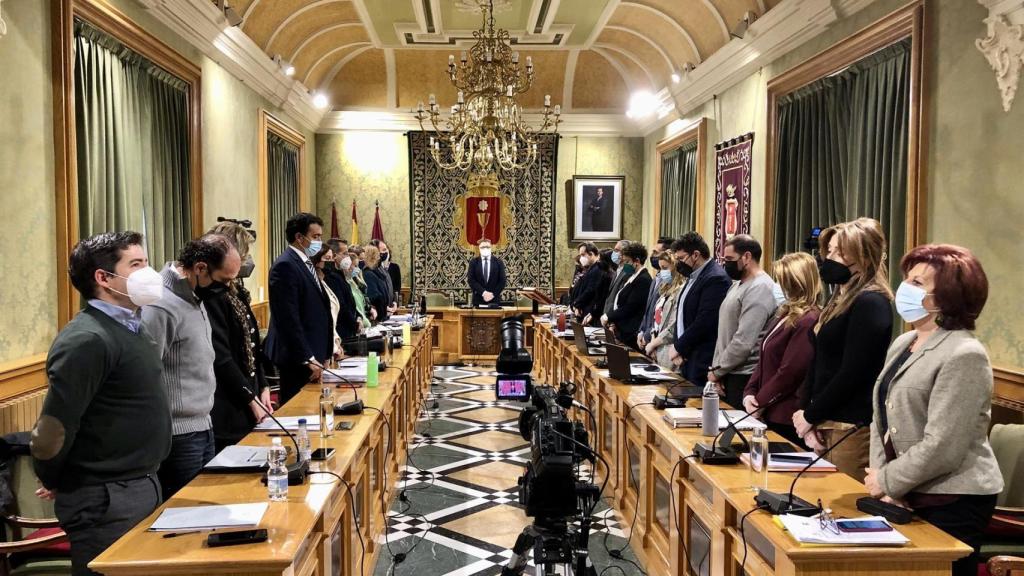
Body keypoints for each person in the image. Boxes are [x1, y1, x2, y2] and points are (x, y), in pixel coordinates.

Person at [31, 231, 171, 576]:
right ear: (103, 278)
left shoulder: (131, 328)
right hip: (106, 497)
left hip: (139, 483)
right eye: (136, 264)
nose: (148, 272)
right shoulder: (88, 338)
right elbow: (55, 426)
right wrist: (55, 477)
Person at [863, 244, 1003, 576]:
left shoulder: (965, 353)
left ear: (946, 297)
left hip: (953, 498)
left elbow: (944, 445)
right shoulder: (903, 342)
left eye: (917, 283)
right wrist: (884, 484)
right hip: (905, 491)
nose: (904, 289)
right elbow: (880, 419)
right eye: (907, 280)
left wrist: (888, 480)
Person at [792, 218, 893, 482]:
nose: (829, 258)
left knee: (842, 511)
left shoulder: (871, 302)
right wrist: (807, 413)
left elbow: (853, 371)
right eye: (830, 251)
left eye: (839, 252)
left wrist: (812, 415)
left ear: (864, 257)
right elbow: (819, 360)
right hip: (825, 419)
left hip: (849, 425)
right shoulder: (839, 298)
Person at [142, 234, 239, 500]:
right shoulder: (160, 305)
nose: (229, 288)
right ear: (199, 268)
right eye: (224, 280)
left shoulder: (194, 295)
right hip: (178, 435)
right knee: (187, 516)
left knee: (204, 507)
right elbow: (146, 373)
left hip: (203, 425)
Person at [205, 222, 273, 452]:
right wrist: (249, 397)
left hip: (249, 392)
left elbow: (252, 349)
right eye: (244, 253)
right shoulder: (212, 296)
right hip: (228, 402)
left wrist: (262, 386)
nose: (247, 260)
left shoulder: (235, 291)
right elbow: (222, 356)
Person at [742, 252, 821, 446]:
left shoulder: (808, 319)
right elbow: (764, 358)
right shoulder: (785, 314)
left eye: (782, 281)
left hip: (785, 414)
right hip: (768, 408)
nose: (777, 286)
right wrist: (749, 394)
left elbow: (790, 371)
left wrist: (760, 401)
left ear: (796, 284)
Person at [264, 212, 334, 404]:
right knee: (299, 413)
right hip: (298, 359)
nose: (319, 242)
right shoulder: (285, 266)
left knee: (314, 410)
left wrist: (327, 351)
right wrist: (307, 358)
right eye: (315, 237)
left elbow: (320, 310)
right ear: (299, 237)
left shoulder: (305, 263)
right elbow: (288, 318)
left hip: (314, 354)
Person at [707, 235, 777, 409]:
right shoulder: (737, 284)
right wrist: (717, 369)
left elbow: (744, 341)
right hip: (726, 372)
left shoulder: (761, 287)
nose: (726, 264)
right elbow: (724, 331)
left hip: (743, 376)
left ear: (746, 257)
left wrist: (717, 371)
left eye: (730, 259)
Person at [669, 232, 731, 384]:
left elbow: (705, 321)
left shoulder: (716, 278)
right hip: (687, 356)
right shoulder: (693, 276)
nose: (679, 264)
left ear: (695, 255)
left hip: (701, 357)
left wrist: (679, 346)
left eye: (681, 258)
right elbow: (683, 315)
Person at [601, 242, 652, 350]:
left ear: (637, 261)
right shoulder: (632, 277)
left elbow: (631, 307)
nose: (624, 265)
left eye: (627, 262)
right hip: (622, 329)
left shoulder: (643, 280)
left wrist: (609, 316)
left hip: (631, 332)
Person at [642, 252, 686, 369]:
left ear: (676, 267)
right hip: (656, 348)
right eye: (661, 268)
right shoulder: (665, 289)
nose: (662, 272)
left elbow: (673, 326)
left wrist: (653, 343)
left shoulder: (680, 290)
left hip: (668, 349)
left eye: (665, 268)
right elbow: (656, 319)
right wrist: (652, 340)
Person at [638, 237, 674, 349]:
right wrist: (641, 331)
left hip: (659, 341)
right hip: (648, 337)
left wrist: (649, 336)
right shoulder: (656, 278)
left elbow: (661, 317)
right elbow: (649, 309)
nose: (652, 255)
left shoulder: (670, 282)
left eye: (655, 252)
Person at [311, 246, 343, 358]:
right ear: (316, 260)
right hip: (320, 349)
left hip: (331, 345)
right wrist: (333, 346)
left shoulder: (323, 282)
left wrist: (336, 340)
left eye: (331, 258)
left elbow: (331, 318)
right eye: (326, 258)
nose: (329, 262)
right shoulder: (313, 283)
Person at [324, 238, 359, 339]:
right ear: (334, 255)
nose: (348, 257)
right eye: (345, 253)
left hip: (349, 328)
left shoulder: (340, 274)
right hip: (341, 331)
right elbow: (341, 305)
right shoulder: (331, 277)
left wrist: (357, 318)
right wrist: (355, 324)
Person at [570, 243, 608, 326]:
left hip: (591, 312)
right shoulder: (591, 268)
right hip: (584, 311)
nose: (581, 258)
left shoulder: (598, 269)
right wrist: (576, 304)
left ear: (591, 254)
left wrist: (577, 304)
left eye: (583, 255)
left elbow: (590, 290)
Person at [467, 238, 507, 306]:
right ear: (479, 248)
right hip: (478, 300)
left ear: (491, 248)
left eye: (487, 247)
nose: (485, 249)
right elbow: (471, 280)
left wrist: (492, 295)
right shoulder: (473, 262)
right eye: (482, 247)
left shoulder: (498, 262)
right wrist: (484, 293)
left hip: (494, 301)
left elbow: (502, 281)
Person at [363, 245, 395, 322]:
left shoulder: (378, 273)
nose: (379, 258)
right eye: (377, 255)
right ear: (372, 257)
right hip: (376, 317)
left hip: (383, 314)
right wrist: (384, 307)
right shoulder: (368, 273)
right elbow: (374, 296)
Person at [601, 240, 631, 319]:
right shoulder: (618, 269)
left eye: (617, 250)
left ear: (625, 253)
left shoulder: (628, 271)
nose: (614, 252)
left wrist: (610, 317)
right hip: (607, 316)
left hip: (615, 317)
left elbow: (620, 298)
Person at [343, 250, 374, 329]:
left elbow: (363, 301)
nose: (357, 269)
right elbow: (356, 307)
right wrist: (366, 322)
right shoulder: (346, 283)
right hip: (358, 324)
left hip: (364, 322)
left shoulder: (354, 281)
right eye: (355, 266)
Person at [371, 239, 402, 305]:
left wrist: (395, 303)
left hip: (391, 305)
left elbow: (396, 288)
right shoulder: (372, 269)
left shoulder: (393, 267)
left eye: (386, 249)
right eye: (384, 250)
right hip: (380, 307)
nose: (386, 252)